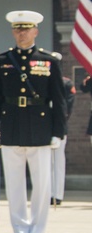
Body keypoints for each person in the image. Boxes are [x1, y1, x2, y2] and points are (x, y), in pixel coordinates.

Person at [0, 11, 66, 233]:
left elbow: (58, 99)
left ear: (35, 32)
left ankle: (38, 229)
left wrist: (58, 132)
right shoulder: (2, 60)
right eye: (17, 29)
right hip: (11, 125)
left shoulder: (49, 60)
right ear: (13, 31)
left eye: (26, 29)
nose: (22, 33)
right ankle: (20, 228)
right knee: (15, 183)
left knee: (42, 184)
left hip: (40, 126)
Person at [50, 54, 75, 205]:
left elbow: (68, 107)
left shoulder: (65, 83)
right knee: (45, 162)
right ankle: (47, 193)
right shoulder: (43, 81)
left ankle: (57, 194)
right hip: (44, 126)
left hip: (58, 126)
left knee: (58, 161)